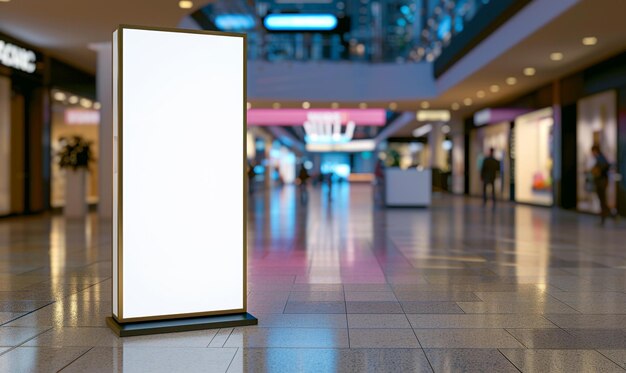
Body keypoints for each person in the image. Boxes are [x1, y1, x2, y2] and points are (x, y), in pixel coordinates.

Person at [591, 145, 612, 225]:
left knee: (602, 200)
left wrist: (596, 171)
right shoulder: (600, 158)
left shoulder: (600, 158)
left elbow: (602, 169)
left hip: (601, 182)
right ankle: (606, 215)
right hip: (601, 182)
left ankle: (606, 216)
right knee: (602, 200)